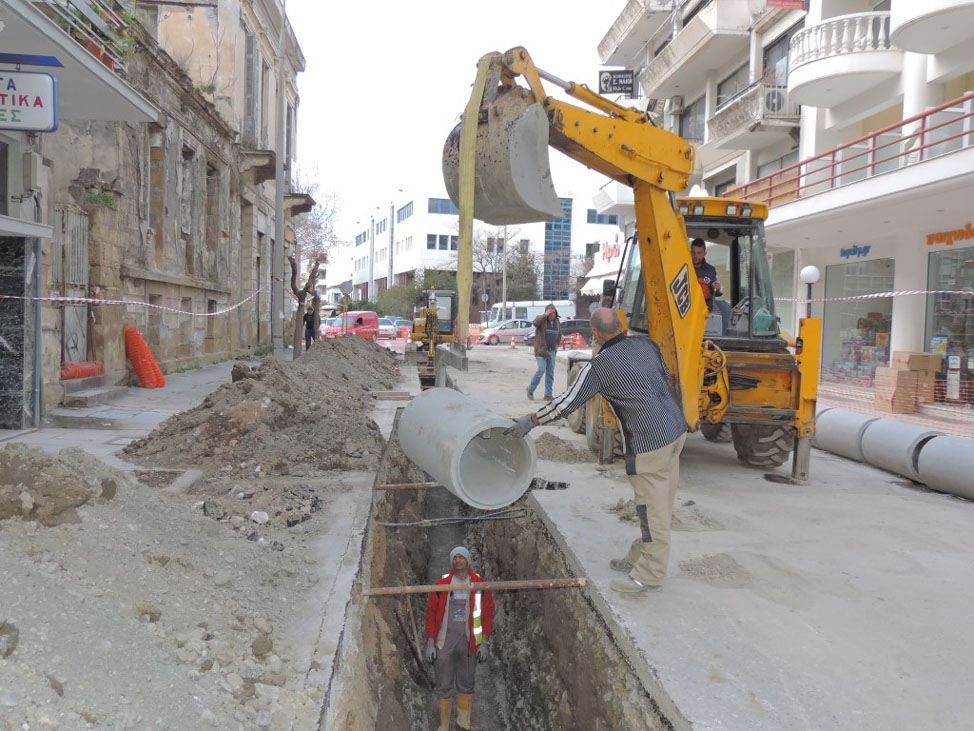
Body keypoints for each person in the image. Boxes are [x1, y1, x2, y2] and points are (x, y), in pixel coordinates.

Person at [506, 308, 688, 595]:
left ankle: (650, 575)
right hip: (676, 430)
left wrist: (530, 421)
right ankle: (639, 555)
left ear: (597, 335)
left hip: (649, 443)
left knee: (651, 510)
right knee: (661, 504)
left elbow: (566, 403)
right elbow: (664, 375)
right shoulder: (648, 345)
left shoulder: (599, 367)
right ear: (622, 326)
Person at [425, 546, 494, 731]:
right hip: (445, 640)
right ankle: (444, 725)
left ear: (468, 560)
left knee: (466, 681)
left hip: (469, 640)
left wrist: (484, 642)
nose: (458, 560)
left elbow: (487, 614)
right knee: (444, 681)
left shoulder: (479, 585)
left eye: (461, 557)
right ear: (451, 563)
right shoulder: (441, 585)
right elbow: (431, 613)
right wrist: (431, 642)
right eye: (454, 558)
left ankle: (463, 722)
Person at [690, 238, 731, 335]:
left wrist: (717, 287)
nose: (696, 256)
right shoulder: (684, 266)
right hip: (687, 304)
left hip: (706, 304)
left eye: (699, 253)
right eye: (693, 253)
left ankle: (722, 338)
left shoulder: (710, 270)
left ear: (705, 253)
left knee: (726, 308)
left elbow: (717, 292)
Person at [527, 304, 561, 401]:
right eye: (550, 312)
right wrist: (545, 315)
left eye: (553, 312)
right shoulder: (542, 320)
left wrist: (557, 344)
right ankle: (530, 389)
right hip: (541, 350)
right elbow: (535, 323)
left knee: (550, 373)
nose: (552, 314)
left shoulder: (557, 322)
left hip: (552, 351)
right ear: (546, 312)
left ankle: (548, 394)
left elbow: (560, 334)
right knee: (541, 369)